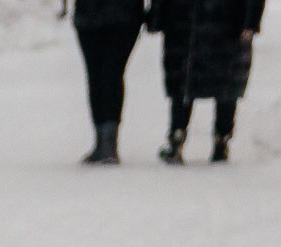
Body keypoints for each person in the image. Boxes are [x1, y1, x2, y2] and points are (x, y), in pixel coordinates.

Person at [149, 0, 264, 164]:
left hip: (184, 17)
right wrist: (251, 22)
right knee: (225, 80)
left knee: (185, 78)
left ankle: (178, 135)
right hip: (228, 18)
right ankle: (221, 138)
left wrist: (158, 16)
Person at [71, 0, 148, 164]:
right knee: (99, 75)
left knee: (108, 74)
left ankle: (107, 142)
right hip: (109, 15)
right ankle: (104, 140)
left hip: (113, 16)